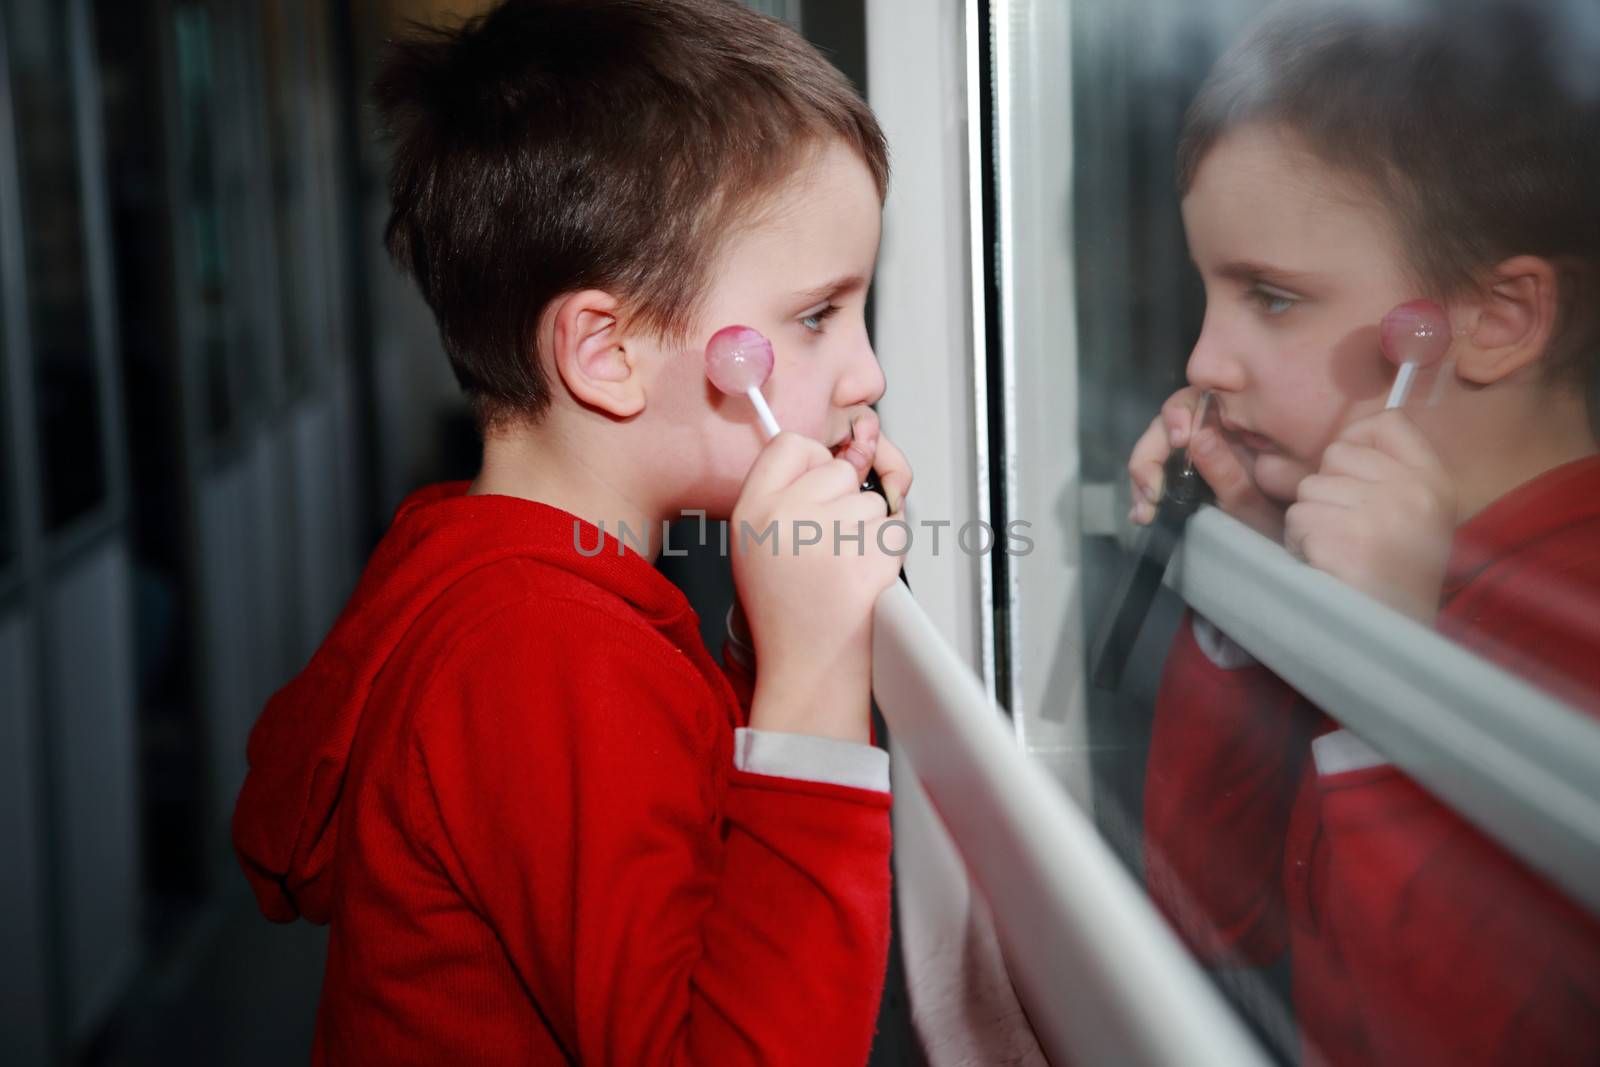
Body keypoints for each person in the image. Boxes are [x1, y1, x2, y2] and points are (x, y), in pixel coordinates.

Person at [231, 2, 912, 1063]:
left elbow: (670, 813)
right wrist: (818, 670)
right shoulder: (541, 652)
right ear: (606, 353)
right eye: (817, 316)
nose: (866, 374)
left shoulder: (491, 568)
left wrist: (778, 627)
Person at [1126, 1, 1600, 1063]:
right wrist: (1247, 566)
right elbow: (1204, 909)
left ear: (1492, 321)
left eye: (1272, 297)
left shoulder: (1572, 613)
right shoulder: (1340, 551)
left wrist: (1397, 672)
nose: (1204, 359)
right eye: (1210, 291)